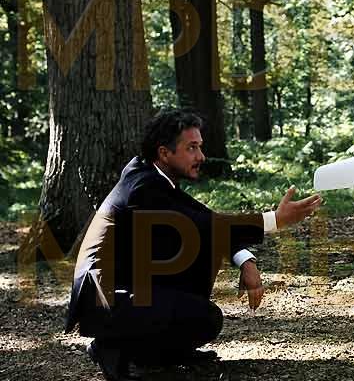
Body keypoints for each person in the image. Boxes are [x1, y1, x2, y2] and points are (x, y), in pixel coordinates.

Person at [65, 109, 321, 380]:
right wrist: (275, 220)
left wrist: (244, 259)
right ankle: (112, 346)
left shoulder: (154, 177)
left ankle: (161, 352)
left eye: (200, 147)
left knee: (203, 281)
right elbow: (204, 224)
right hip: (107, 302)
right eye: (192, 148)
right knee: (204, 318)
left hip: (126, 290)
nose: (201, 156)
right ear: (164, 153)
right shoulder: (144, 188)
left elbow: (205, 219)